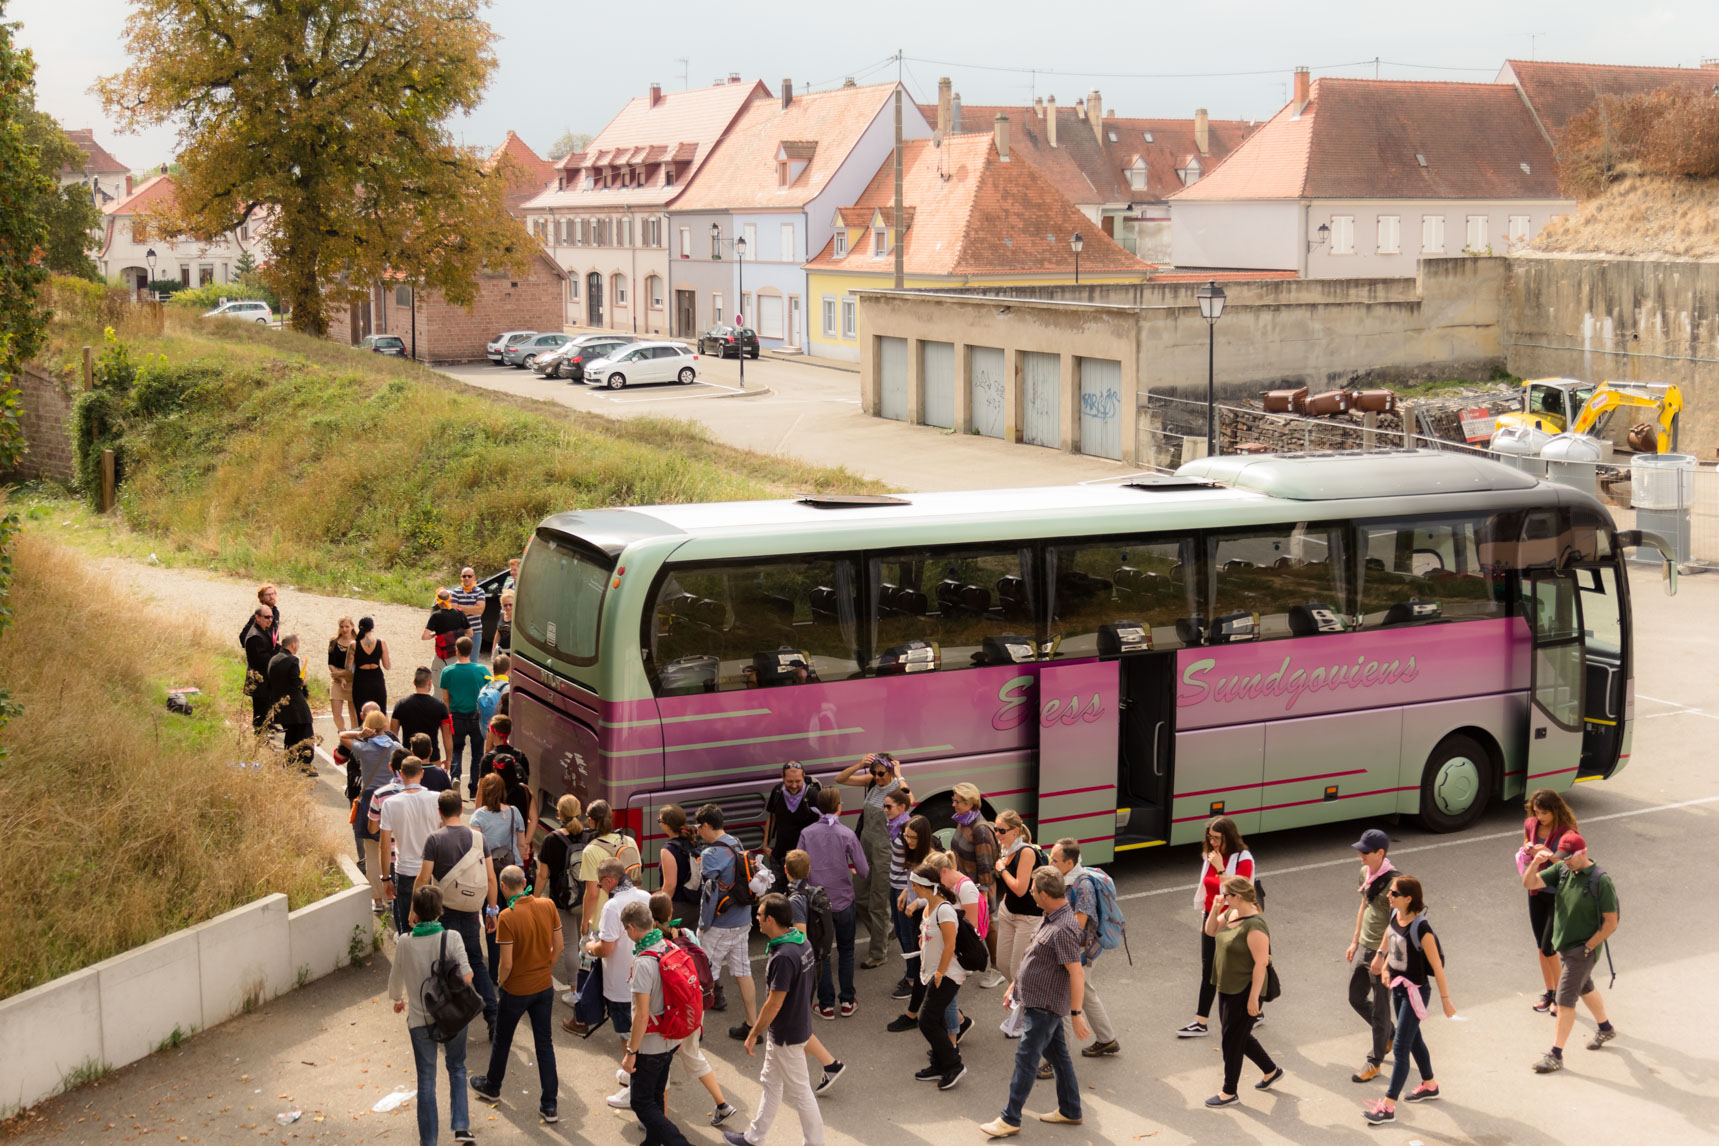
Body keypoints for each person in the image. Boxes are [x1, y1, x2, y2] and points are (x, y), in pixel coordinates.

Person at [980, 866, 1088, 1138]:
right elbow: (1033, 955)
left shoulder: (1063, 927)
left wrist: (1076, 1013)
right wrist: (1015, 986)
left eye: (1032, 892)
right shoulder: (1050, 917)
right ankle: (1071, 1110)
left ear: (1043, 894)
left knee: (1026, 1059)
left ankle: (1010, 1118)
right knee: (1060, 1058)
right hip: (1036, 1001)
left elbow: (1076, 972)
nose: (1030, 895)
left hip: (1045, 1008)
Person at [724, 893, 825, 1146]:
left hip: (786, 1035)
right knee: (771, 1082)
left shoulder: (782, 956)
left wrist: (753, 1032)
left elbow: (774, 1003)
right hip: (795, 1028)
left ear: (769, 919)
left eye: (759, 914)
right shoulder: (802, 942)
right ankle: (754, 1137)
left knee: (801, 1092)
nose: (756, 918)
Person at [471, 865, 563, 1124]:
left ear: (503, 887)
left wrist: (502, 982)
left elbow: (506, 963)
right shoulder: (548, 906)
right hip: (544, 987)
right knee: (545, 1044)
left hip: (516, 990)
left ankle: (492, 1086)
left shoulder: (507, 917)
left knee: (503, 1039)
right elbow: (559, 947)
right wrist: (546, 967)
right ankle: (550, 1105)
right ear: (525, 882)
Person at [388, 885, 476, 1146]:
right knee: (457, 1066)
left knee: (426, 1080)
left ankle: (429, 1141)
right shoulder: (452, 938)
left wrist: (398, 1000)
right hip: (452, 1016)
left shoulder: (405, 942)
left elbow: (395, 982)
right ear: (440, 911)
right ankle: (461, 1126)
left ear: (414, 911)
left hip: (419, 1020)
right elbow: (468, 976)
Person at [1523, 834, 1620, 1074]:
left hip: (1582, 951)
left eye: (1569, 857)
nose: (1564, 861)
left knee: (1565, 1000)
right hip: (1565, 947)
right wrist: (1535, 862)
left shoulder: (1601, 881)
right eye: (1562, 857)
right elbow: (1530, 884)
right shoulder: (1563, 871)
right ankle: (1605, 1028)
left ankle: (1555, 1054)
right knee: (1585, 987)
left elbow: (1611, 922)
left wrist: (1589, 947)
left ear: (1582, 852)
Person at [1363, 874, 1455, 1124]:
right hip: (1398, 987)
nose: (1389, 896)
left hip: (1415, 992)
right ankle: (1430, 1084)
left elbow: (1437, 966)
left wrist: (1446, 1000)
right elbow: (1387, 934)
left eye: (1393, 893)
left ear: (1408, 899)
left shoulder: (1421, 928)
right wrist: (1381, 959)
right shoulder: (1395, 914)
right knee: (1414, 1039)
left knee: (1401, 1047)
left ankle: (1388, 1107)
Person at [413, 789, 500, 1043]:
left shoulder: (434, 840)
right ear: (462, 810)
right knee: (475, 962)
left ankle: (450, 1018)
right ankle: (493, 1017)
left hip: (445, 912)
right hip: (472, 911)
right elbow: (491, 877)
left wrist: (414, 909)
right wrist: (492, 910)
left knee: (444, 966)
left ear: (439, 812)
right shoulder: (478, 838)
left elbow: (423, 878)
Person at [648, 891, 741, 1126]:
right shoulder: (686, 934)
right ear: (671, 912)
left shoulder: (653, 941)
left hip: (669, 1013)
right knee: (692, 1054)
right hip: (693, 1006)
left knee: (662, 1064)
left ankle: (663, 1119)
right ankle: (722, 1104)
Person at [619, 899, 697, 1146]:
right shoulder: (667, 946)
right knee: (655, 1095)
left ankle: (679, 1143)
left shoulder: (643, 962)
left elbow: (641, 1016)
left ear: (631, 928)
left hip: (651, 1045)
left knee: (640, 1102)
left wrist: (631, 1052)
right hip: (671, 1037)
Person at [1202, 875, 1282, 1109]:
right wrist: (1215, 908)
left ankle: (1229, 1092)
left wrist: (1253, 999)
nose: (1222, 898)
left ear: (1238, 897)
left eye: (1225, 895)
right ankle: (1271, 1070)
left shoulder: (1255, 926)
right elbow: (1210, 931)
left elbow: (1260, 964)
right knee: (1239, 1036)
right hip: (1227, 985)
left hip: (1244, 990)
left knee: (1231, 1041)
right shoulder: (1231, 913)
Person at [1179, 816, 1255, 1038]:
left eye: (1217, 838)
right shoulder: (1210, 856)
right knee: (1209, 969)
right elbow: (1207, 888)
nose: (1212, 842)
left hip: (1234, 920)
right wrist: (1205, 911)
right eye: (1209, 837)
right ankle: (1201, 1021)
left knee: (1236, 969)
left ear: (1228, 837)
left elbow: (1240, 891)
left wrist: (1221, 868)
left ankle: (1255, 1009)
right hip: (1212, 917)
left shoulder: (1244, 858)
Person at [780, 851, 848, 1094]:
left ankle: (830, 1064)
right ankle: (815, 1068)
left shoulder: (796, 899)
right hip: (816, 962)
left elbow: (800, 935)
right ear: (809, 871)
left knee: (794, 1023)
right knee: (795, 1022)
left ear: (786, 871)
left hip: (804, 967)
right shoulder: (814, 892)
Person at [798, 787, 868, 1019]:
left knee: (823, 953)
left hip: (817, 904)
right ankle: (848, 1000)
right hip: (844, 900)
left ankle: (826, 1004)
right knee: (847, 951)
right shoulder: (847, 834)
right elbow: (864, 870)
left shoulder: (807, 833)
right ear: (839, 806)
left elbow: (798, 868)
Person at [1048, 838, 1119, 1058]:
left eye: (1055, 860)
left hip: (1080, 951)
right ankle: (1107, 1040)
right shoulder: (1067, 878)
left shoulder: (1083, 884)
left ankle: (1061, 1059)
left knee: (1067, 1004)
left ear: (1069, 863)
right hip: (1081, 949)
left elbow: (1079, 923)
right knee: (1086, 993)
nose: (1050, 863)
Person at [833, 751, 901, 969]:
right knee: (860, 897)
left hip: (883, 851)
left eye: (881, 773)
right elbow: (840, 779)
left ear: (890, 770)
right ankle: (885, 932)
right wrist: (859, 763)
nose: (877, 777)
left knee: (878, 904)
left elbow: (909, 796)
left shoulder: (897, 789)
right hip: (865, 849)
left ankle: (878, 953)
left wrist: (898, 775)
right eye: (873, 773)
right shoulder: (873, 782)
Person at [696, 804, 759, 1040]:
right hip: (743, 920)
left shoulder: (710, 855)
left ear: (705, 825)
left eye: (698, 827)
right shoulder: (735, 842)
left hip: (719, 925)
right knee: (743, 971)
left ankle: (696, 1031)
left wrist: (704, 923)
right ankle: (752, 1024)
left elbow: (709, 893)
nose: (697, 832)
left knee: (703, 976)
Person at [581, 858, 653, 1061]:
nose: (600, 887)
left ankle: (632, 1079)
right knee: (645, 1030)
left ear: (609, 880)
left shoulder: (612, 906)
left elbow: (606, 948)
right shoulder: (645, 896)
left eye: (599, 883)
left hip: (621, 986)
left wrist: (590, 947)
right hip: (647, 978)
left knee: (627, 1037)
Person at [1519, 788, 1580, 1016]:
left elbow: (1570, 861)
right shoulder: (1531, 824)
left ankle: (1560, 996)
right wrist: (1528, 847)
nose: (1539, 817)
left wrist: (1548, 854)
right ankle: (1550, 992)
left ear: (1555, 810)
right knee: (1540, 946)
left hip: (1559, 893)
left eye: (1544, 813)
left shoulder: (1567, 832)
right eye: (1536, 812)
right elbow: (1526, 840)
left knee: (1549, 947)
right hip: (1537, 890)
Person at [907, 863, 968, 1090]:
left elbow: (950, 944)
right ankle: (939, 1063)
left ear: (924, 886)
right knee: (939, 1019)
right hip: (933, 973)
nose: (912, 887)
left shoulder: (944, 910)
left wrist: (941, 973)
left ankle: (954, 1065)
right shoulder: (928, 908)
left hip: (947, 975)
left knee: (927, 1021)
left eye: (915, 884)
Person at [1345, 828, 1396, 1083]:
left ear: (1380, 853)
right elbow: (1363, 906)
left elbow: (1395, 924)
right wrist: (1354, 941)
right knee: (1355, 997)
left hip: (1383, 952)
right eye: (1359, 851)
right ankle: (1390, 1034)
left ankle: (1374, 1061)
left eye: (1365, 852)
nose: (1360, 855)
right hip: (1365, 946)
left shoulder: (1394, 883)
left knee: (1380, 1007)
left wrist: (1381, 956)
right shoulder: (1365, 873)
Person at [340, 709, 402, 913]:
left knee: (371, 854)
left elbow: (342, 736)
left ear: (367, 726)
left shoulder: (364, 749)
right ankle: (392, 896)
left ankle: (377, 900)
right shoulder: (394, 747)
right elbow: (408, 756)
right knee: (391, 851)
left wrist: (360, 734)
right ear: (384, 726)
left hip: (370, 800)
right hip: (392, 800)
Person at [993, 810, 1045, 1038]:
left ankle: (1023, 1017)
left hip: (1028, 918)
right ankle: (1024, 1003)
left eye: (1002, 830)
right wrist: (1004, 905)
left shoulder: (1026, 852)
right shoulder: (1007, 848)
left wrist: (1002, 870)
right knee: (1002, 964)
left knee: (1017, 970)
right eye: (996, 829)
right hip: (1009, 914)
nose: (997, 834)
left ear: (1015, 831)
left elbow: (1021, 888)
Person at [471, 773, 527, 982]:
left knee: (492, 920)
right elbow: (521, 844)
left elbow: (475, 850)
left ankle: (496, 971)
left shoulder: (477, 817)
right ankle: (517, 966)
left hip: (489, 874)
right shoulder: (514, 812)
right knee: (516, 920)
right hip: (514, 871)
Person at [378, 758, 443, 935]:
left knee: (407, 931)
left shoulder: (390, 803)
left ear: (401, 774)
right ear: (421, 773)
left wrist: (385, 878)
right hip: (433, 873)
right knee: (436, 928)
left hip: (405, 872)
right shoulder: (437, 799)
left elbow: (384, 846)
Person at [948, 783, 1003, 988]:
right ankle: (972, 960)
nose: (953, 804)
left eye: (957, 801)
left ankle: (998, 969)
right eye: (953, 800)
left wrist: (982, 897)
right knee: (968, 926)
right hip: (963, 885)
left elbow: (985, 866)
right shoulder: (963, 821)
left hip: (979, 888)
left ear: (970, 803)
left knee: (987, 927)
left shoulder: (980, 829)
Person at [885, 800, 927, 1008]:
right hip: (907, 896)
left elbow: (938, 893)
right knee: (902, 935)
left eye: (911, 837)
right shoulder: (912, 849)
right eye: (905, 836)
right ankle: (912, 974)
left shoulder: (930, 858)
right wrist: (904, 892)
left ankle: (914, 979)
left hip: (920, 909)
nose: (906, 841)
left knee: (911, 939)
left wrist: (916, 902)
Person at [579, 800, 642, 936]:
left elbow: (593, 894)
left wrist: (584, 923)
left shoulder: (590, 851)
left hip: (604, 921)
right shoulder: (629, 842)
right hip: (631, 918)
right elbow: (636, 880)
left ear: (590, 821)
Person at [439, 636, 488, 790]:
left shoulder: (447, 671)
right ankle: (474, 786)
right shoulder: (482, 670)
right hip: (477, 718)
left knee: (456, 749)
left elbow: (445, 699)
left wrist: (447, 717)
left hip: (456, 716)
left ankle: (455, 776)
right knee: (477, 754)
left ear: (456, 650)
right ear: (471, 650)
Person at [265, 633, 316, 772]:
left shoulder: (273, 659)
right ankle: (305, 764)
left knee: (291, 735)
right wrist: (303, 681)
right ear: (293, 644)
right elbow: (295, 682)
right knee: (305, 733)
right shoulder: (292, 660)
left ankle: (289, 762)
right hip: (296, 706)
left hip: (280, 705)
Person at [476, 716, 533, 838]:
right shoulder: (521, 756)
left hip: (494, 813)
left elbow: (481, 790)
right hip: (518, 814)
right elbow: (526, 783)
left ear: (493, 732)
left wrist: (477, 815)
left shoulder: (488, 759)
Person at [763, 762, 822, 867]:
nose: (794, 786)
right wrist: (765, 845)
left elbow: (824, 823)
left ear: (803, 776)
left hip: (805, 857)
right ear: (782, 777)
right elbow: (772, 817)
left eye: (798, 781)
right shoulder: (777, 791)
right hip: (781, 856)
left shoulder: (813, 795)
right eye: (789, 781)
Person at [393, 667, 453, 768]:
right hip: (432, 759)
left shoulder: (401, 705)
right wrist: (449, 759)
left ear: (414, 683)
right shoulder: (440, 706)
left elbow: (393, 736)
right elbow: (447, 736)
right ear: (429, 683)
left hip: (408, 760)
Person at [535, 795, 587, 911]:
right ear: (579, 812)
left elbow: (543, 875)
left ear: (560, 814)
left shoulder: (551, 839)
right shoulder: (588, 837)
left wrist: (535, 899)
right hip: (585, 900)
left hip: (561, 901)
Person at [658, 804, 703, 928]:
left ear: (666, 825)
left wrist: (661, 911)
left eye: (659, 821)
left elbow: (670, 886)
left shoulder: (668, 850)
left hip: (678, 907)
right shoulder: (693, 842)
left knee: (675, 945)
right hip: (697, 903)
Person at [423, 588, 472, 678]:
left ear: (437, 601)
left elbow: (425, 636)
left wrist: (435, 634)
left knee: (438, 683)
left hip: (442, 655)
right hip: (457, 654)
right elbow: (470, 633)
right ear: (450, 599)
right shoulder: (459, 613)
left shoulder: (436, 616)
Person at [243, 605, 276, 731]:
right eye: (267, 617)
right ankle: (259, 742)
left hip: (265, 681)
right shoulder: (255, 636)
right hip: (259, 682)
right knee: (260, 715)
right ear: (257, 617)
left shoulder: (263, 630)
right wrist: (277, 653)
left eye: (271, 617)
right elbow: (263, 660)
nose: (270, 620)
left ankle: (265, 732)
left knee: (266, 711)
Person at [350, 616, 391, 716]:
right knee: (381, 713)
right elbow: (387, 666)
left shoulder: (354, 644)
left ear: (360, 628)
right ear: (372, 628)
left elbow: (348, 667)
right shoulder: (381, 643)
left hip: (361, 680)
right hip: (377, 679)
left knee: (362, 713)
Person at [328, 616, 357, 732]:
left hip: (353, 679)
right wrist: (340, 677)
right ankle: (343, 734)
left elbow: (355, 665)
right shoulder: (333, 641)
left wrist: (343, 675)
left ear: (352, 627)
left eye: (347, 626)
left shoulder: (357, 641)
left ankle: (355, 736)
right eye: (341, 627)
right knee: (336, 713)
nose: (344, 629)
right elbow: (330, 663)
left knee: (353, 713)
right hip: (337, 679)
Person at [450, 567, 487, 660]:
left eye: (469, 576)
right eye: (464, 576)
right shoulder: (455, 592)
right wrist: (473, 608)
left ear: (474, 577)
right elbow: (454, 611)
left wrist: (460, 607)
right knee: (457, 660)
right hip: (459, 631)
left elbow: (480, 610)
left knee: (473, 660)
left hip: (475, 631)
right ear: (460, 577)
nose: (466, 578)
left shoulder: (480, 591)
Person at [239, 582, 280, 649]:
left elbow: (274, 633)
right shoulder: (259, 615)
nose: (271, 597)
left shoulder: (276, 612)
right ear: (261, 598)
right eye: (268, 595)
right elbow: (243, 636)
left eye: (273, 594)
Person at [495, 589, 514, 657]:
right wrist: (492, 652)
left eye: (510, 605)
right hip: (500, 652)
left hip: (512, 653)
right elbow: (497, 635)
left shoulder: (517, 618)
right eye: (505, 605)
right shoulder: (501, 615)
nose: (508, 607)